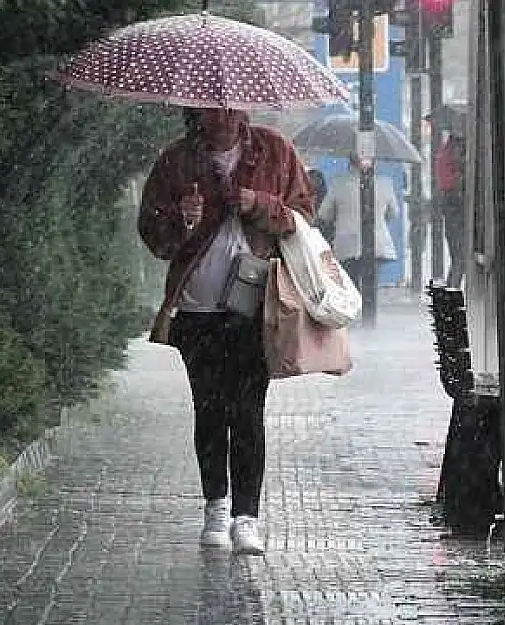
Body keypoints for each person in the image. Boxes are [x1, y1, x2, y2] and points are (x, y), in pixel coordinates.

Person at [137, 108, 314, 555]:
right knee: (210, 409)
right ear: (197, 112)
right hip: (197, 310)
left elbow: (304, 218)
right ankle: (215, 506)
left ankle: (246, 517)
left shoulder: (274, 150)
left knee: (248, 411)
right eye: (212, 111)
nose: (222, 117)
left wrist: (260, 205)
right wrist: (183, 219)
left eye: (230, 109)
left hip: (256, 307)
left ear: (242, 110)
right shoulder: (177, 160)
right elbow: (156, 239)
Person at [318, 154, 400, 288]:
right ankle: (369, 307)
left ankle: (357, 304)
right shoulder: (385, 183)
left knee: (351, 282)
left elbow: (324, 214)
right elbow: (393, 212)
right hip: (376, 242)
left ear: (350, 162)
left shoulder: (339, 183)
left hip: (347, 244)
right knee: (371, 282)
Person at [434, 127, 467, 288]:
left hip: (449, 204)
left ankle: (451, 292)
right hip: (456, 203)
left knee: (457, 257)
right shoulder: (455, 150)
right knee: (460, 258)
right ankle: (452, 292)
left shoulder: (445, 150)